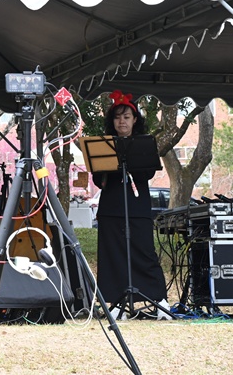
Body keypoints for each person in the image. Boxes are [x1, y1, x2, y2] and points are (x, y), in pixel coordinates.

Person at [92, 90, 170, 319]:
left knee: (144, 252)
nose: (122, 121)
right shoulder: (104, 145)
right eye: (117, 117)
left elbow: (147, 172)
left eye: (126, 117)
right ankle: (116, 302)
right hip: (111, 208)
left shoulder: (144, 143)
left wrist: (128, 160)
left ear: (135, 120)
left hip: (137, 207)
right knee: (112, 254)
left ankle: (159, 299)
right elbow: (99, 180)